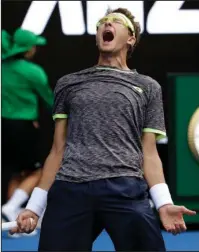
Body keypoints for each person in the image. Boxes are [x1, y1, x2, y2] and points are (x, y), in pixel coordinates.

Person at [11, 8, 196, 251]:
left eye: (116, 21)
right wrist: (34, 207)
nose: (107, 24)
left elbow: (149, 153)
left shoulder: (148, 87)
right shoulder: (68, 84)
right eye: (102, 22)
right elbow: (57, 150)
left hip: (125, 189)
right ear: (98, 34)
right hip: (71, 189)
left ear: (130, 38)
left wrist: (164, 204)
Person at [2, 28, 54, 222]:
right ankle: (11, 206)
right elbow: (49, 99)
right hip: (23, 128)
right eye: (33, 46)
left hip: (3, 127)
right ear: (27, 48)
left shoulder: (3, 68)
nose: (35, 49)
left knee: (17, 173)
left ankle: (13, 220)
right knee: (37, 172)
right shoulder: (33, 71)